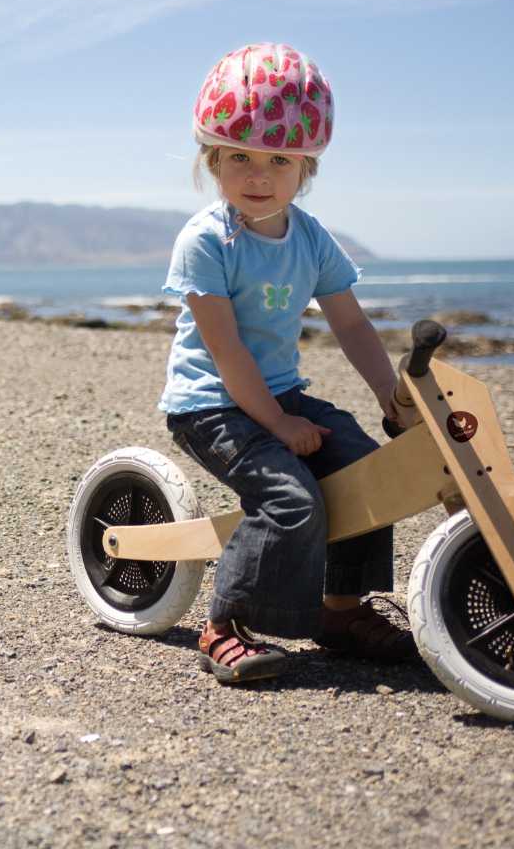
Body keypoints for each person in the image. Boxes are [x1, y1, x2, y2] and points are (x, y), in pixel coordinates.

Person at [159, 45, 416, 684]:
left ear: (306, 166)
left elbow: (350, 323)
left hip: (277, 394)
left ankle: (340, 611)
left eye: (279, 160)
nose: (259, 175)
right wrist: (277, 424)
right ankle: (227, 624)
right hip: (212, 404)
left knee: (369, 471)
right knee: (290, 499)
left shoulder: (310, 237)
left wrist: (390, 396)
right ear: (213, 160)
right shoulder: (205, 241)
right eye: (240, 157)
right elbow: (227, 351)